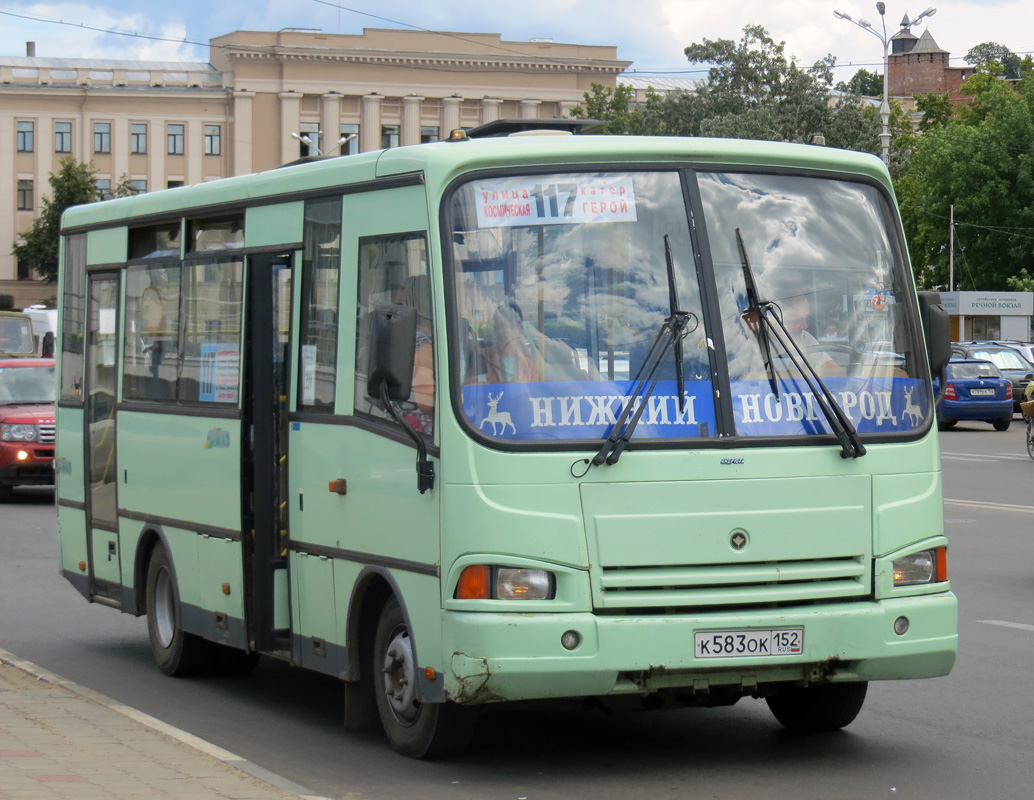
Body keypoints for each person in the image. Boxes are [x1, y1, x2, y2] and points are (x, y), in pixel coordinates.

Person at [482, 302, 540, 384]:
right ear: (495, 328)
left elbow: (533, 394)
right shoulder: (481, 357)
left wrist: (520, 389)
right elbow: (469, 389)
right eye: (502, 326)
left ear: (520, 328)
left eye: (512, 326)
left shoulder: (531, 363)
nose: (507, 332)